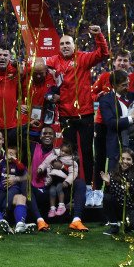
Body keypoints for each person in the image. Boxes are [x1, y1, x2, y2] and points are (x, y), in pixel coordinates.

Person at [44, 25, 109, 193]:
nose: (65, 46)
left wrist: (98, 36)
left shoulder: (83, 58)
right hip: (66, 115)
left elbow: (103, 54)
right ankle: (72, 185)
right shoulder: (53, 61)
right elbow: (37, 67)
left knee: (87, 152)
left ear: (74, 45)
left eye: (68, 43)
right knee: (69, 155)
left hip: (85, 114)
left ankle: (88, 186)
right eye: (62, 44)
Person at [90, 40, 134, 202]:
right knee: (100, 158)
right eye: (119, 60)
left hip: (127, 125)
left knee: (124, 158)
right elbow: (91, 94)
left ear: (129, 63)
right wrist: (98, 97)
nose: (122, 63)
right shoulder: (105, 77)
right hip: (103, 123)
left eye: (125, 60)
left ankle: (132, 195)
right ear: (114, 62)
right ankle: (97, 193)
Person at [26, 125, 90, 232]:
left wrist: (62, 167)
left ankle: (76, 220)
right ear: (40, 136)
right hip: (42, 190)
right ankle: (40, 221)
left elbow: (73, 173)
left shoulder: (64, 152)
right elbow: (18, 136)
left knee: (80, 183)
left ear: (55, 137)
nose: (47, 136)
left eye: (50, 134)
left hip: (60, 190)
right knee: (25, 186)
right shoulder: (33, 148)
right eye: (44, 133)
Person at [101, 148, 134, 235]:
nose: (125, 161)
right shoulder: (113, 172)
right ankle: (114, 226)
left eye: (128, 159)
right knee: (107, 198)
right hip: (119, 206)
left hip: (132, 208)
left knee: (131, 227)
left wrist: (129, 188)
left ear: (133, 161)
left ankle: (128, 223)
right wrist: (108, 184)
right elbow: (110, 193)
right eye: (122, 158)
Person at [41, 142, 77, 218]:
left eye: (66, 152)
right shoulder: (55, 156)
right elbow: (46, 162)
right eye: (62, 150)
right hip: (53, 179)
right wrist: (41, 168)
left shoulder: (71, 161)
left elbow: (73, 173)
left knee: (59, 188)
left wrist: (67, 181)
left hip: (62, 180)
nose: (63, 153)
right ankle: (52, 208)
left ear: (70, 153)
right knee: (52, 191)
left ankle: (61, 206)